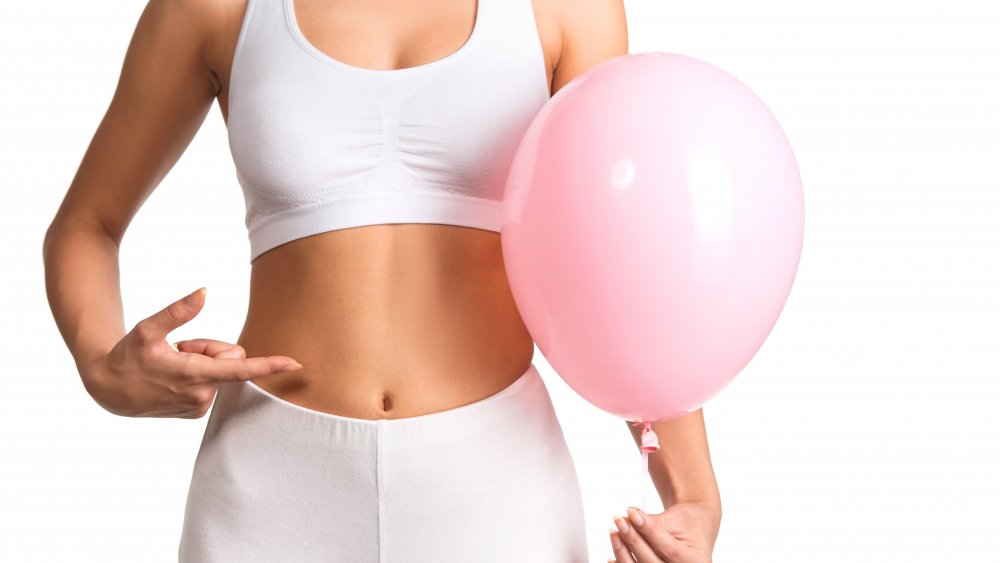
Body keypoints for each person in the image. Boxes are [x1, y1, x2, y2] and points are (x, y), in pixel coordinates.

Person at [42, 0, 721, 560]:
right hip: (268, 488)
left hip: (495, 489)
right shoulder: (217, 8)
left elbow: (622, 255)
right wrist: (101, 363)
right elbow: (87, 223)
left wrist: (693, 493)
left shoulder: (565, 10)